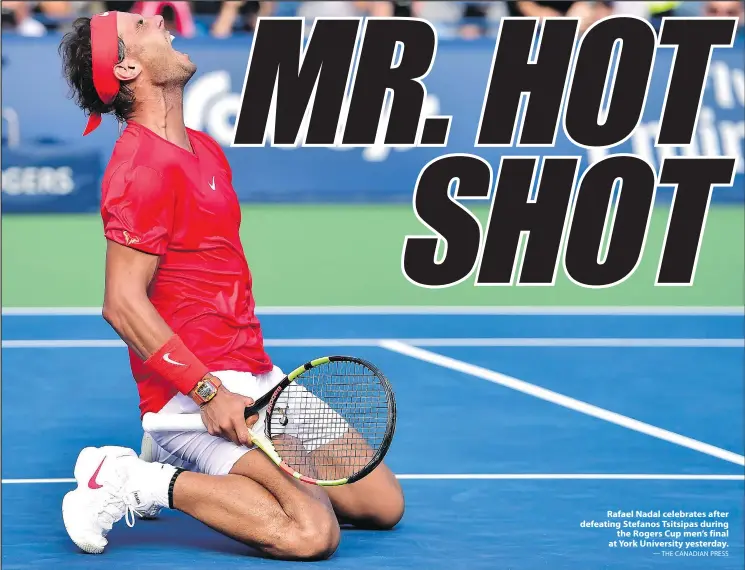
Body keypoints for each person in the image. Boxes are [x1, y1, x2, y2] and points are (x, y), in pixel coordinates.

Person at [57, 10, 404, 560]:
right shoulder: (139, 169)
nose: (160, 18)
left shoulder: (204, 148)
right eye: (141, 24)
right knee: (312, 533)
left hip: (255, 373)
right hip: (193, 392)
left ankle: (175, 462)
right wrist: (207, 392)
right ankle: (130, 479)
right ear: (125, 66)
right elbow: (121, 304)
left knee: (380, 506)